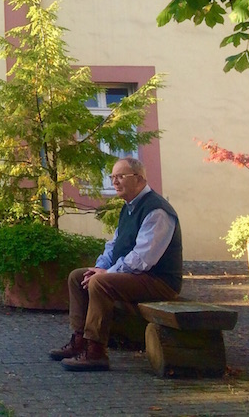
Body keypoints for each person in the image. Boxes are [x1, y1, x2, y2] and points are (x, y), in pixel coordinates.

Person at [50, 156, 182, 371]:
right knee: (78, 276)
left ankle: (96, 351)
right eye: (112, 177)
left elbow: (142, 259)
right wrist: (97, 268)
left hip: (160, 281)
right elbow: (114, 245)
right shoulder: (128, 208)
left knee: (100, 284)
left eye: (120, 176)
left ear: (139, 179)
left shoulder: (157, 211)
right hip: (136, 276)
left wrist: (105, 274)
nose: (114, 182)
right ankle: (79, 340)